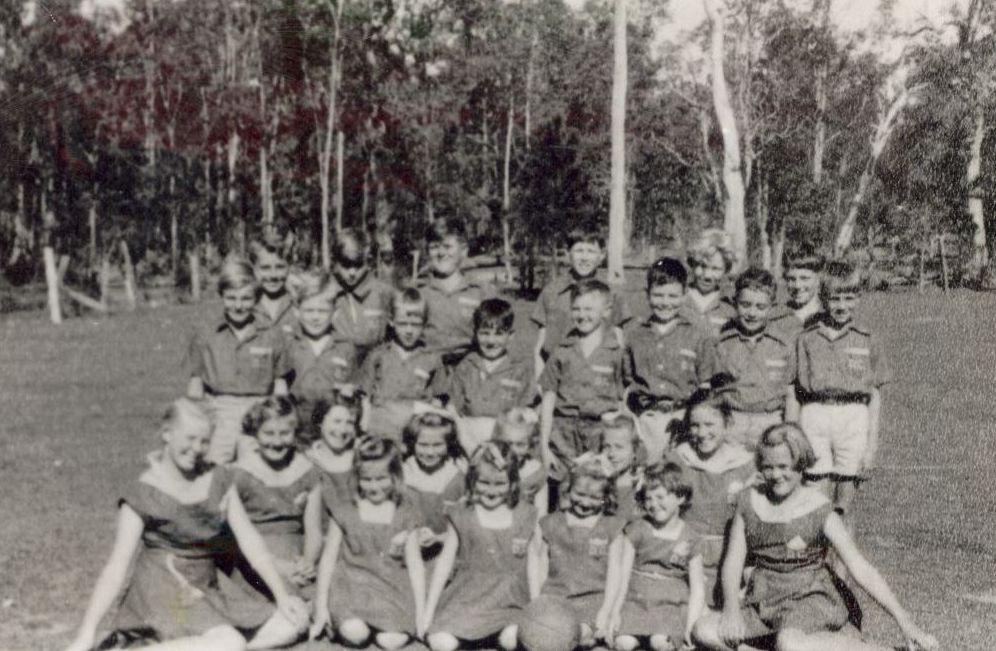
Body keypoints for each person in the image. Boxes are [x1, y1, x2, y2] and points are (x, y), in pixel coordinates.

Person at [63, 398, 309, 651]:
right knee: (229, 643)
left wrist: (281, 595)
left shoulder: (219, 478)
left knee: (293, 622)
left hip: (209, 584)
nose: (197, 448)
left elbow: (249, 540)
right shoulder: (145, 490)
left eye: (204, 441)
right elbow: (116, 568)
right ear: (167, 434)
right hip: (164, 586)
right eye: (190, 439)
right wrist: (86, 633)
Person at [691, 424, 938, 651]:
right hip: (764, 598)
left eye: (783, 467)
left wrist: (905, 622)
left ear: (800, 464)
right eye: (768, 467)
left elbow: (860, 567)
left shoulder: (818, 508)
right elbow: (733, 562)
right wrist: (732, 610)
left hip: (809, 598)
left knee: (790, 643)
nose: (776, 475)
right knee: (704, 630)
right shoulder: (749, 502)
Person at [787, 260, 891, 518]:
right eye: (834, 299)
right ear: (823, 299)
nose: (842, 306)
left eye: (849, 297)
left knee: (845, 502)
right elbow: (795, 390)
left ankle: (841, 558)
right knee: (814, 496)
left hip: (853, 417)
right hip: (815, 414)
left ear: (858, 297)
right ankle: (815, 557)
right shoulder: (806, 338)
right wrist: (791, 433)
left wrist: (872, 444)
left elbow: (875, 394)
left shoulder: (867, 338)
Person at [309, 436, 427, 650]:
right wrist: (321, 607)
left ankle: (388, 626)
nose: (374, 487)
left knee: (392, 641)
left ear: (395, 476)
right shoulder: (345, 511)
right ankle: (349, 622)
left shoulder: (406, 513)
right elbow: (328, 560)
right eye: (367, 479)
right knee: (355, 634)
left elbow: (415, 565)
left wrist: (421, 614)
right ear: (356, 478)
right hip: (351, 587)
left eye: (381, 479)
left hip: (390, 588)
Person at [422, 442, 536, 651]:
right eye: (484, 483)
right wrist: (428, 613)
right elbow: (444, 564)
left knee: (513, 638)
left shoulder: (525, 515)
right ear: (472, 481)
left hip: (508, 604)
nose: (491, 491)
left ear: (512, 483)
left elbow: (535, 565)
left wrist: (536, 608)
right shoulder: (462, 514)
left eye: (499, 484)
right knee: (441, 643)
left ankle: (493, 638)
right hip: (467, 600)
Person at [225, 397, 323, 621]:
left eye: (284, 433)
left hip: (297, 557)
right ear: (255, 435)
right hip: (256, 563)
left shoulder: (307, 471)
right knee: (291, 614)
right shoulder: (240, 474)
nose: (277, 442)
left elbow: (314, 530)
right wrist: (280, 567)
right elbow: (234, 537)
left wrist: (307, 563)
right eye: (268, 434)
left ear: (295, 433)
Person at [186, 257, 289, 464]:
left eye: (246, 299)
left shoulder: (271, 334)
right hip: (219, 409)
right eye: (231, 298)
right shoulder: (207, 334)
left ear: (256, 298)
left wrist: (277, 418)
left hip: (259, 409)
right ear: (222, 296)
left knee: (255, 468)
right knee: (213, 466)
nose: (239, 306)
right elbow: (195, 384)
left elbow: (280, 384)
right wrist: (194, 419)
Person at [665, 386, 755, 601]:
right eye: (695, 425)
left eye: (709, 424)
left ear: (727, 424)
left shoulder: (745, 465)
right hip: (687, 558)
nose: (702, 433)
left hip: (730, 558)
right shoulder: (679, 460)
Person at [527, 452, 626, 649]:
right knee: (547, 634)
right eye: (579, 494)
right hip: (555, 599)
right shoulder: (551, 523)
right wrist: (537, 602)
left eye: (594, 498)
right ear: (567, 489)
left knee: (579, 634)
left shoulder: (611, 527)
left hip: (592, 601)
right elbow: (540, 567)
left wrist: (606, 610)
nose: (584, 502)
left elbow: (615, 573)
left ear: (606, 498)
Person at [539, 279, 631, 485]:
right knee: (564, 491)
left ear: (606, 311)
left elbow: (624, 393)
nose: (582, 315)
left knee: (598, 490)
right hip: (563, 435)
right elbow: (549, 397)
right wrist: (544, 445)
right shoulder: (562, 350)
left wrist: (618, 425)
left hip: (599, 435)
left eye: (589, 309)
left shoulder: (616, 352)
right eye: (576, 309)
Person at [610, 463, 706, 651]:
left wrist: (690, 626)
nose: (653, 504)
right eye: (648, 499)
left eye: (660, 497)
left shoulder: (691, 538)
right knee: (623, 643)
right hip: (636, 602)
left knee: (661, 642)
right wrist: (615, 611)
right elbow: (622, 575)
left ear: (680, 496)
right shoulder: (638, 529)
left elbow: (698, 588)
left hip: (669, 606)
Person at [626, 257, 713, 462]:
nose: (665, 302)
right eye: (658, 295)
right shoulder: (636, 335)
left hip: (683, 418)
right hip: (646, 419)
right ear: (647, 295)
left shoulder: (697, 335)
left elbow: (706, 385)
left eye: (673, 296)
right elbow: (625, 382)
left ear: (684, 295)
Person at [701, 268, 796, 451]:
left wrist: (789, 429)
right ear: (735, 303)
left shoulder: (783, 345)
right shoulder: (722, 343)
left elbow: (790, 393)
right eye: (745, 305)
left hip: (770, 421)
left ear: (772, 307)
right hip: (731, 421)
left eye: (761, 307)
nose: (752, 313)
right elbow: (711, 390)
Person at [531, 225, 632, 375]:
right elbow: (541, 345)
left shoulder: (613, 293)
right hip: (556, 376)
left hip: (599, 377)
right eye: (579, 251)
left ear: (602, 255)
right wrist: (540, 383)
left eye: (591, 251)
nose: (584, 258)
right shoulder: (551, 292)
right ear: (567, 253)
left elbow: (620, 343)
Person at [445, 298, 535, 448]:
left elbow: (526, 411)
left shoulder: (520, 369)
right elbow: (453, 408)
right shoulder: (466, 366)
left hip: (506, 439)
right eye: (484, 333)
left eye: (499, 334)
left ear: (510, 336)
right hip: (469, 438)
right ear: (475, 334)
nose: (491, 341)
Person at [358, 287, 445, 439]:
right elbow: (365, 395)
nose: (409, 331)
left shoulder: (431, 358)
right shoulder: (378, 355)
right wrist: (364, 422)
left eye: (415, 324)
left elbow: (438, 399)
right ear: (391, 321)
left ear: (424, 324)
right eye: (403, 324)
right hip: (380, 429)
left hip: (413, 433)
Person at [417, 218, 497, 364]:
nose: (441, 253)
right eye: (434, 247)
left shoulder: (482, 292)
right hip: (426, 373)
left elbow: (496, 343)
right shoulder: (418, 292)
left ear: (464, 250)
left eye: (447, 246)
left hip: (469, 374)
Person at [284, 270, 357, 429]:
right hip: (295, 425)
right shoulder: (288, 344)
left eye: (322, 311)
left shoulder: (345, 347)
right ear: (297, 312)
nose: (315, 317)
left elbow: (351, 389)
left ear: (335, 313)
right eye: (309, 311)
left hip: (333, 427)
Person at [328, 228, 394, 363]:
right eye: (346, 265)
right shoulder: (326, 293)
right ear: (334, 261)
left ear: (368, 261)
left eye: (358, 265)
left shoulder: (383, 292)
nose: (352, 273)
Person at [401, 409, 467, 536]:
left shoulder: (455, 475)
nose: (430, 453)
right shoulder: (405, 471)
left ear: (448, 445)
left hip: (445, 539)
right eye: (423, 445)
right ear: (412, 444)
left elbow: (462, 519)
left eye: (437, 445)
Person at [306, 388, 363, 507]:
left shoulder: (360, 458)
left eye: (349, 423)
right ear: (320, 421)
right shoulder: (307, 459)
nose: (342, 430)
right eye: (337, 421)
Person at [494, 407, 548, 515]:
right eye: (507, 444)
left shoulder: (535, 472)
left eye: (520, 444)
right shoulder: (492, 465)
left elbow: (541, 513)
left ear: (530, 444)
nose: (513, 450)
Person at [684, 229, 738, 335]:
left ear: (725, 270)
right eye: (702, 266)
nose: (707, 275)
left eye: (716, 269)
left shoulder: (730, 307)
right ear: (692, 264)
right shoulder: (676, 299)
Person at [597, 412, 647, 521]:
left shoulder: (641, 486)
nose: (611, 454)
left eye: (619, 447)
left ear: (634, 450)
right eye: (607, 446)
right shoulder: (598, 483)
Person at [771, 242, 825, 339]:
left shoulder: (828, 315)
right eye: (791, 279)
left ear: (818, 279)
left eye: (804, 278)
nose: (797, 286)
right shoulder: (774, 316)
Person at [250, 227, 297, 335]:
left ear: (289, 267)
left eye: (280, 267)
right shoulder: (245, 304)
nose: (273, 275)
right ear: (254, 268)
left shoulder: (299, 304)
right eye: (265, 268)